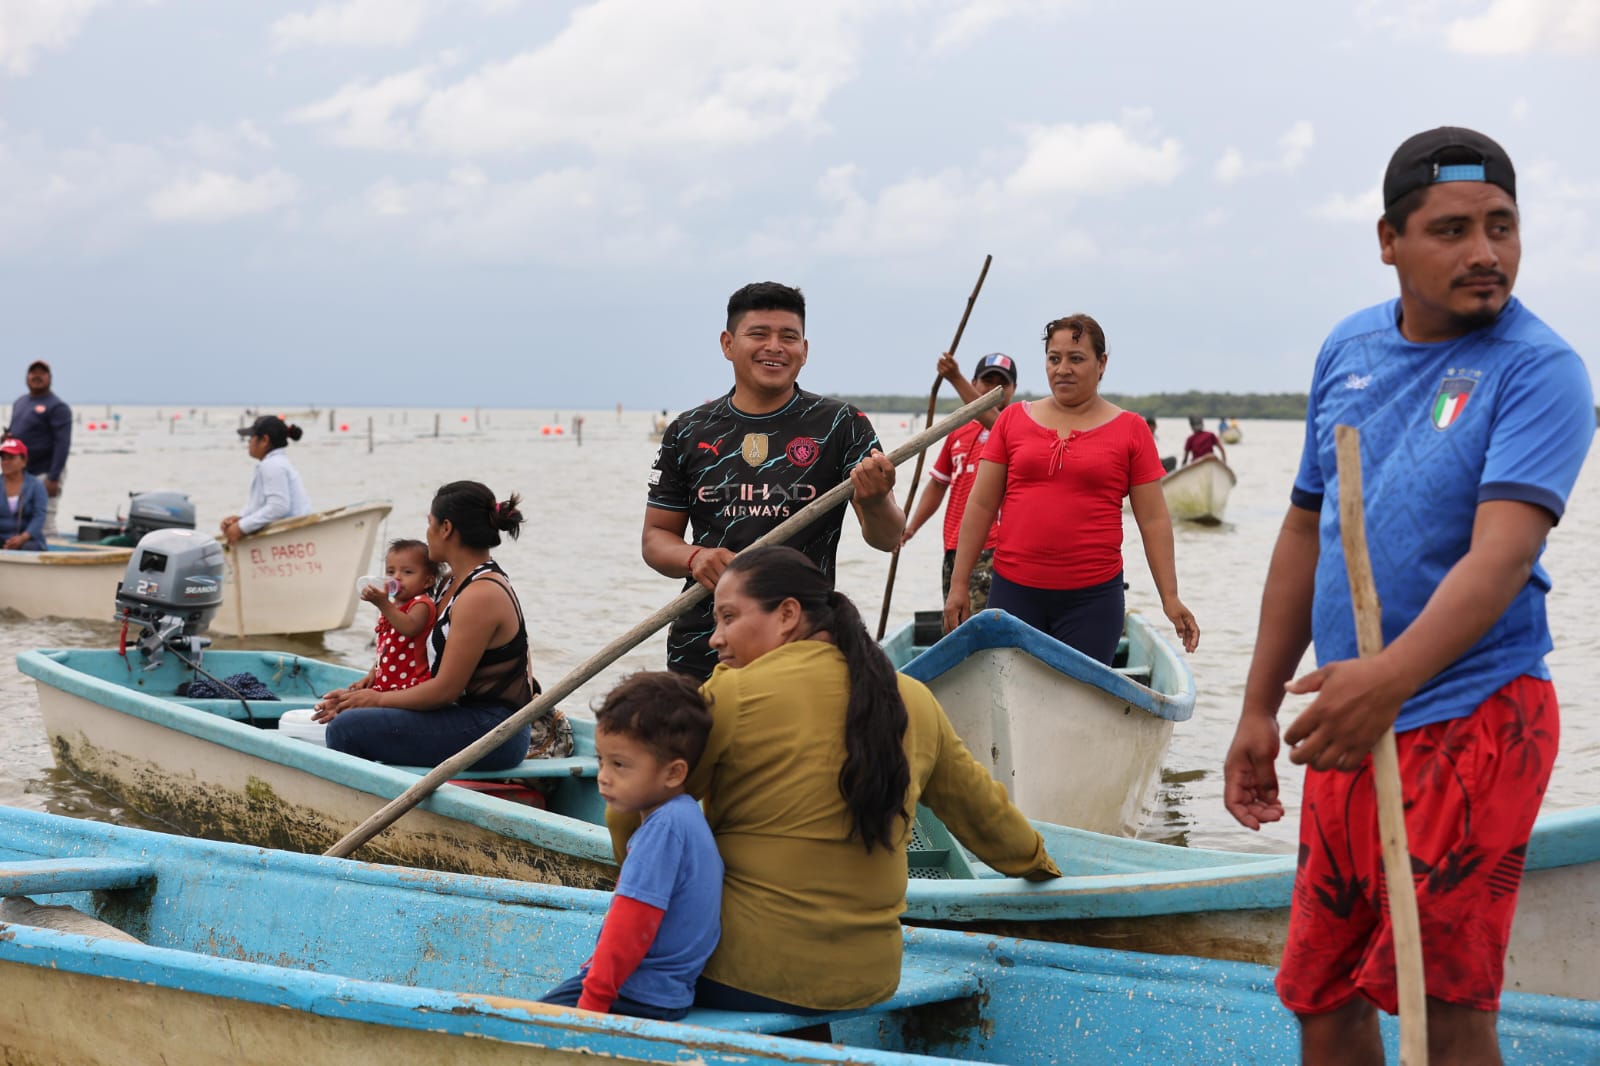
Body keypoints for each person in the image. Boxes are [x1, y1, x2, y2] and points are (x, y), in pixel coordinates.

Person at [1223, 127, 1593, 1066]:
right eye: (1453, 229)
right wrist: (1258, 706)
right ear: (1389, 240)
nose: (1485, 253)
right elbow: (1305, 530)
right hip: (1357, 715)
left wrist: (1386, 679)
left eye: (1503, 226)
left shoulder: (1540, 369)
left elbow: (1501, 557)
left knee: (1445, 998)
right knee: (1321, 991)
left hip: (1475, 719)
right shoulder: (1348, 349)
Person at [610, 545, 1059, 1015]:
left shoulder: (733, 691)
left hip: (743, 971)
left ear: (787, 615)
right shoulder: (914, 698)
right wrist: (1039, 864)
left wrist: (637, 878)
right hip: (868, 978)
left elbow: (631, 803)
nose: (714, 640)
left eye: (727, 618)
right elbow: (988, 818)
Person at [642, 281, 904, 680]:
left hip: (803, 642)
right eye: (759, 334)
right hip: (705, 642)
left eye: (789, 337)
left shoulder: (841, 425)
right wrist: (694, 558)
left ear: (805, 350)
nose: (775, 347)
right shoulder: (689, 430)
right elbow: (656, 539)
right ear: (728, 344)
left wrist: (874, 500)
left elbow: (887, 538)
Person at [944, 314, 1199, 664]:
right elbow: (982, 505)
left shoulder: (1131, 430)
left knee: (1078, 701)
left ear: (1102, 363)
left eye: (1076, 359)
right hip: (1014, 592)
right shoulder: (1012, 421)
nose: (1063, 368)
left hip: (1092, 602)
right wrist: (959, 584)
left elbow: (1153, 520)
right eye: (1054, 358)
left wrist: (1170, 597)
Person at [315, 482, 572, 770]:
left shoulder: (481, 594)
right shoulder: (453, 581)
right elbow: (420, 650)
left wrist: (375, 700)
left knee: (347, 728)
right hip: (465, 716)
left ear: (446, 528)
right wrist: (369, 684)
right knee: (348, 715)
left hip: (495, 732)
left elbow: (444, 691)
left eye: (430, 524)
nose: (427, 533)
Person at [541, 672, 722, 1021]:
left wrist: (592, 1004)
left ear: (673, 773)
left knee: (517, 1027)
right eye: (601, 760)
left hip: (633, 993)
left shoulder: (664, 830)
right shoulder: (683, 817)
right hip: (666, 994)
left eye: (620, 764)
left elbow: (630, 926)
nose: (604, 776)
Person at [900, 351, 1017, 615]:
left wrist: (954, 377)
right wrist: (910, 528)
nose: (995, 389)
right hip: (954, 547)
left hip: (994, 549)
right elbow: (938, 484)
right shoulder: (959, 430)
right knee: (956, 621)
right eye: (988, 382)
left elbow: (992, 420)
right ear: (975, 384)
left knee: (982, 623)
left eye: (1003, 383)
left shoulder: (1015, 430)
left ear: (1014, 390)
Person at [349, 539, 442, 694]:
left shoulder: (421, 604)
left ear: (428, 581)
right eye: (391, 572)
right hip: (388, 683)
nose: (396, 577)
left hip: (410, 685)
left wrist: (383, 604)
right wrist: (372, 674)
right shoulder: (392, 606)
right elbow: (385, 649)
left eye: (407, 572)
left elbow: (409, 627)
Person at [220, 415, 313, 545]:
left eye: (251, 437)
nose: (248, 442)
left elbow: (278, 506)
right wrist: (241, 517)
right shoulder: (275, 463)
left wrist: (242, 527)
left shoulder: (272, 465)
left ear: (264, 440)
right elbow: (260, 503)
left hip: (293, 538)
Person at [8, 360, 70, 536]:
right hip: (23, 472)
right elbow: (14, 433)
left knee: (44, 518)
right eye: (33, 372)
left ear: (49, 378)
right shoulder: (20, 402)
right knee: (21, 515)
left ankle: (50, 555)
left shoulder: (57, 407)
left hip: (47, 470)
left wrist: (54, 477)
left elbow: (62, 443)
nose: (37, 376)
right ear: (27, 377)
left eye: (42, 373)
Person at [0, 437, 48, 551]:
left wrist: (23, 538)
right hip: (1, 539)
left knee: (29, 547)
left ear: (24, 461)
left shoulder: (36, 485)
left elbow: (39, 516)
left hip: (28, 541)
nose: (5, 462)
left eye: (11, 458)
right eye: (3, 458)